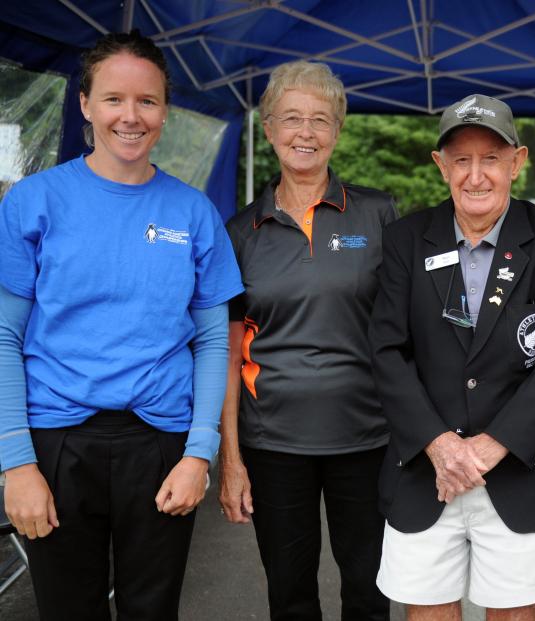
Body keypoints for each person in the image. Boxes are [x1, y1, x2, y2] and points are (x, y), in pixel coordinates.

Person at [0, 31, 243, 619]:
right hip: (55, 444)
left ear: (165, 110)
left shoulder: (194, 212)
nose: (130, 117)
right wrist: (16, 463)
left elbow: (214, 341)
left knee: (151, 610)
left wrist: (199, 455)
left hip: (160, 446)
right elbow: (5, 335)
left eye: (147, 101)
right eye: (113, 99)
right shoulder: (33, 201)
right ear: (84, 104)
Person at [370, 93, 535, 620]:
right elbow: (386, 351)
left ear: (518, 161)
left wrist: (491, 447)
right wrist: (441, 446)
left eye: (490, 158)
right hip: (426, 471)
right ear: (440, 166)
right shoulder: (405, 239)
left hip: (519, 472)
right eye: (461, 159)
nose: (476, 175)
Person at [219, 60, 396, 620]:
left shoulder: (379, 213)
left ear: (338, 131)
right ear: (267, 130)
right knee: (289, 593)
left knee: (369, 590)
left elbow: (408, 329)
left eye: (321, 119)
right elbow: (226, 355)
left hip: (367, 439)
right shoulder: (240, 232)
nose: (306, 133)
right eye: (291, 118)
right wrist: (230, 459)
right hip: (273, 443)